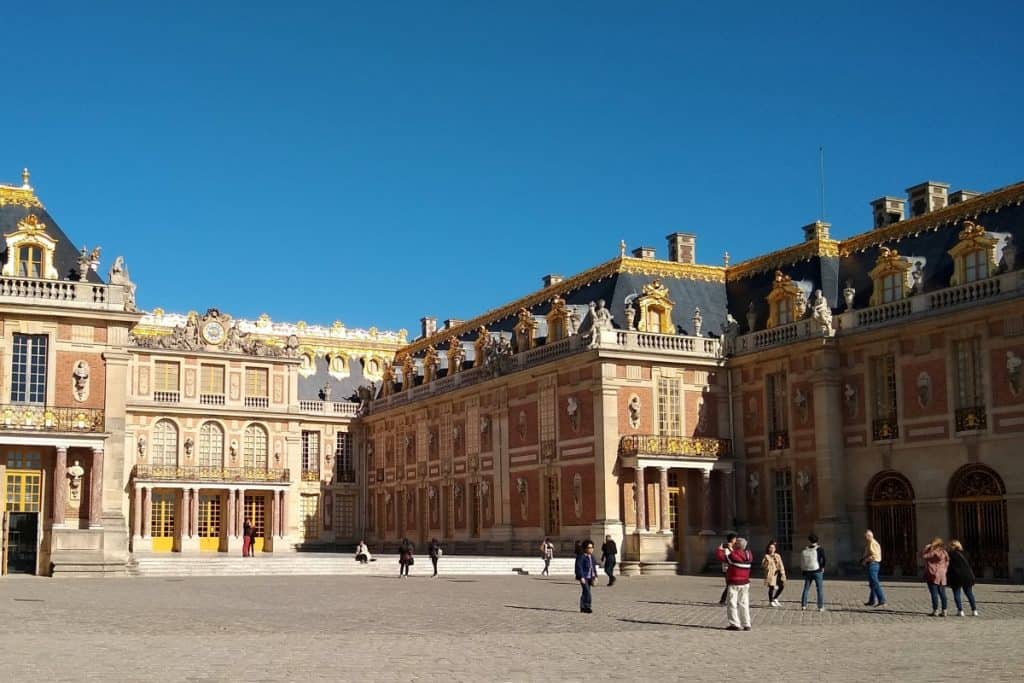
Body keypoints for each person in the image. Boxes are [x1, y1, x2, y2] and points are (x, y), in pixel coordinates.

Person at [716, 537, 753, 630]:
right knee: (744, 603)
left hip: (734, 582)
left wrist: (719, 550)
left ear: (737, 545)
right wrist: (732, 549)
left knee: (732, 603)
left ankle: (735, 624)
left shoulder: (733, 555)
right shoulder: (749, 555)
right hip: (745, 582)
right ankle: (746, 624)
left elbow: (722, 557)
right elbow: (739, 555)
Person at [947, 540, 979, 617]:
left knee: (957, 594)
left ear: (952, 546)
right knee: (969, 593)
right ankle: (974, 610)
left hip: (956, 576)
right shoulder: (965, 553)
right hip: (967, 576)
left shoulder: (950, 554)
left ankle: (960, 611)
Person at [922, 537, 949, 616]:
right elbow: (947, 562)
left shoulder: (932, 552)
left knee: (934, 593)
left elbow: (923, 556)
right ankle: (944, 610)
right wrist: (944, 570)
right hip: (942, 575)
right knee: (942, 593)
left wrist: (926, 548)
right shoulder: (944, 552)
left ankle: (935, 610)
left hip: (932, 574)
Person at [800, 533, 826, 612]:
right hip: (817, 570)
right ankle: (820, 606)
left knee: (806, 588)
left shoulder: (806, 549)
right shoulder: (820, 549)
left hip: (808, 570)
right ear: (817, 540)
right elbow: (824, 559)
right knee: (819, 589)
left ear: (809, 540)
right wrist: (822, 567)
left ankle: (804, 605)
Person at [862, 530, 887, 607]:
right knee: (872, 583)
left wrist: (865, 560)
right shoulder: (870, 543)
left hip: (873, 564)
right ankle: (871, 600)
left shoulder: (872, 543)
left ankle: (882, 600)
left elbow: (874, 555)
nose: (865, 538)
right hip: (872, 564)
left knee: (875, 582)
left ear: (869, 536)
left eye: (865, 536)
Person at [574, 539, 598, 613]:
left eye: (592, 547)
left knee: (585, 592)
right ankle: (587, 606)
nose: (591, 549)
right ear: (585, 548)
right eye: (589, 548)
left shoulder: (592, 557)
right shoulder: (581, 556)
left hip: (590, 577)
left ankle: (583, 607)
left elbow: (593, 567)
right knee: (587, 591)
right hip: (584, 577)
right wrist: (581, 577)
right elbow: (578, 567)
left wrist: (595, 576)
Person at [761, 540, 786, 607]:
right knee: (771, 587)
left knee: (782, 586)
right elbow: (763, 565)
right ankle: (771, 601)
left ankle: (775, 598)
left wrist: (783, 572)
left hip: (778, 573)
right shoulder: (766, 556)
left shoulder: (777, 555)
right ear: (768, 549)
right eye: (770, 548)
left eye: (773, 548)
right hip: (771, 574)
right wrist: (766, 563)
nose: (772, 549)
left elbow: (781, 564)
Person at [718, 533, 738, 605]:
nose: (736, 540)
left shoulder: (734, 547)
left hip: (732, 568)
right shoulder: (726, 548)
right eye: (735, 539)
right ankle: (723, 600)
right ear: (732, 539)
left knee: (730, 585)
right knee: (729, 585)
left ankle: (724, 600)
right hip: (727, 569)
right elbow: (728, 558)